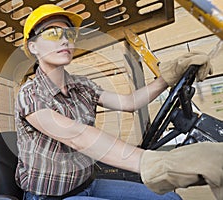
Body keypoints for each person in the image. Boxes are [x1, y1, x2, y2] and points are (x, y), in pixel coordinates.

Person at [15, 4, 223, 200]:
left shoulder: (82, 85)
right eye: (53, 33)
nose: (65, 40)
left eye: (70, 34)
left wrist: (167, 78)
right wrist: (155, 162)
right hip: (51, 196)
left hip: (87, 183)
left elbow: (129, 102)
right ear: (33, 47)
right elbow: (77, 136)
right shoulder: (30, 94)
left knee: (170, 197)